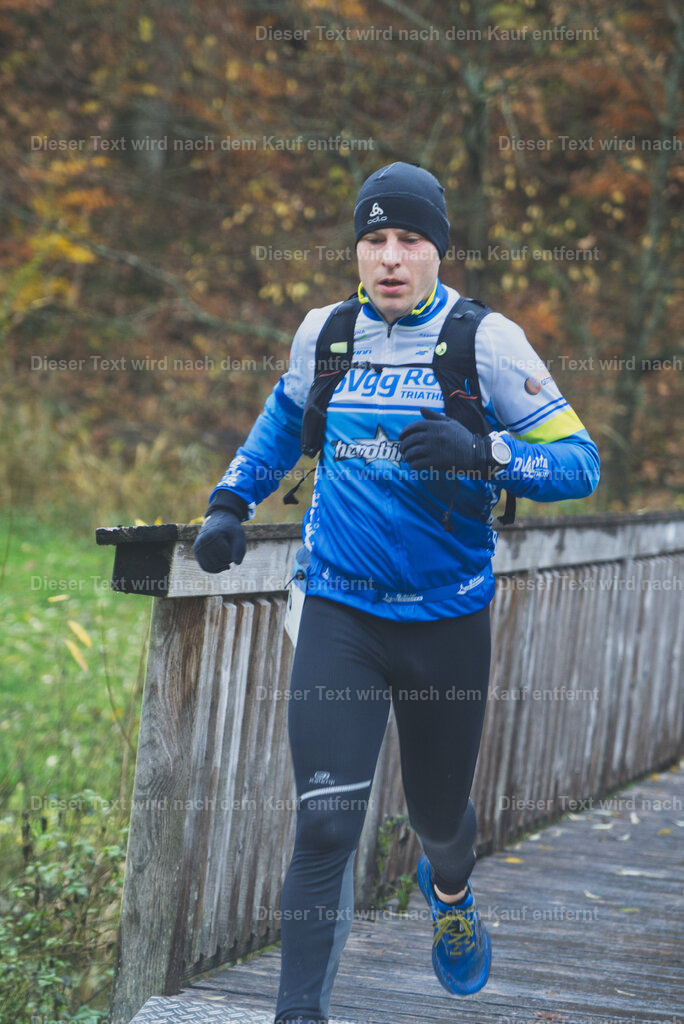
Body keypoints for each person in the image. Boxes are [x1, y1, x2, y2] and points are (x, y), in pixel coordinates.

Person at [193, 162, 600, 1024]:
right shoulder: (327, 334)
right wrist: (229, 504)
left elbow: (580, 466)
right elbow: (278, 423)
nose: (389, 258)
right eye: (372, 239)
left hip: (448, 616)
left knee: (440, 816)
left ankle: (449, 896)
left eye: (409, 240)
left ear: (437, 251)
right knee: (326, 825)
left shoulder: (484, 343)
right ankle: (297, 1014)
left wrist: (483, 453)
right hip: (341, 606)